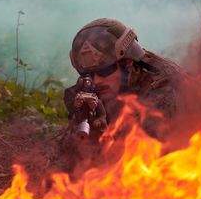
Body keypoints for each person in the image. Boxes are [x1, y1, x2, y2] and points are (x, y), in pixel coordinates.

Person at [60, 18, 182, 167]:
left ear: (128, 63)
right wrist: (83, 122)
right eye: (89, 75)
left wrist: (102, 130)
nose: (96, 81)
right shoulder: (89, 90)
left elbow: (142, 155)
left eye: (105, 71)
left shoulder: (162, 88)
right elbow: (69, 158)